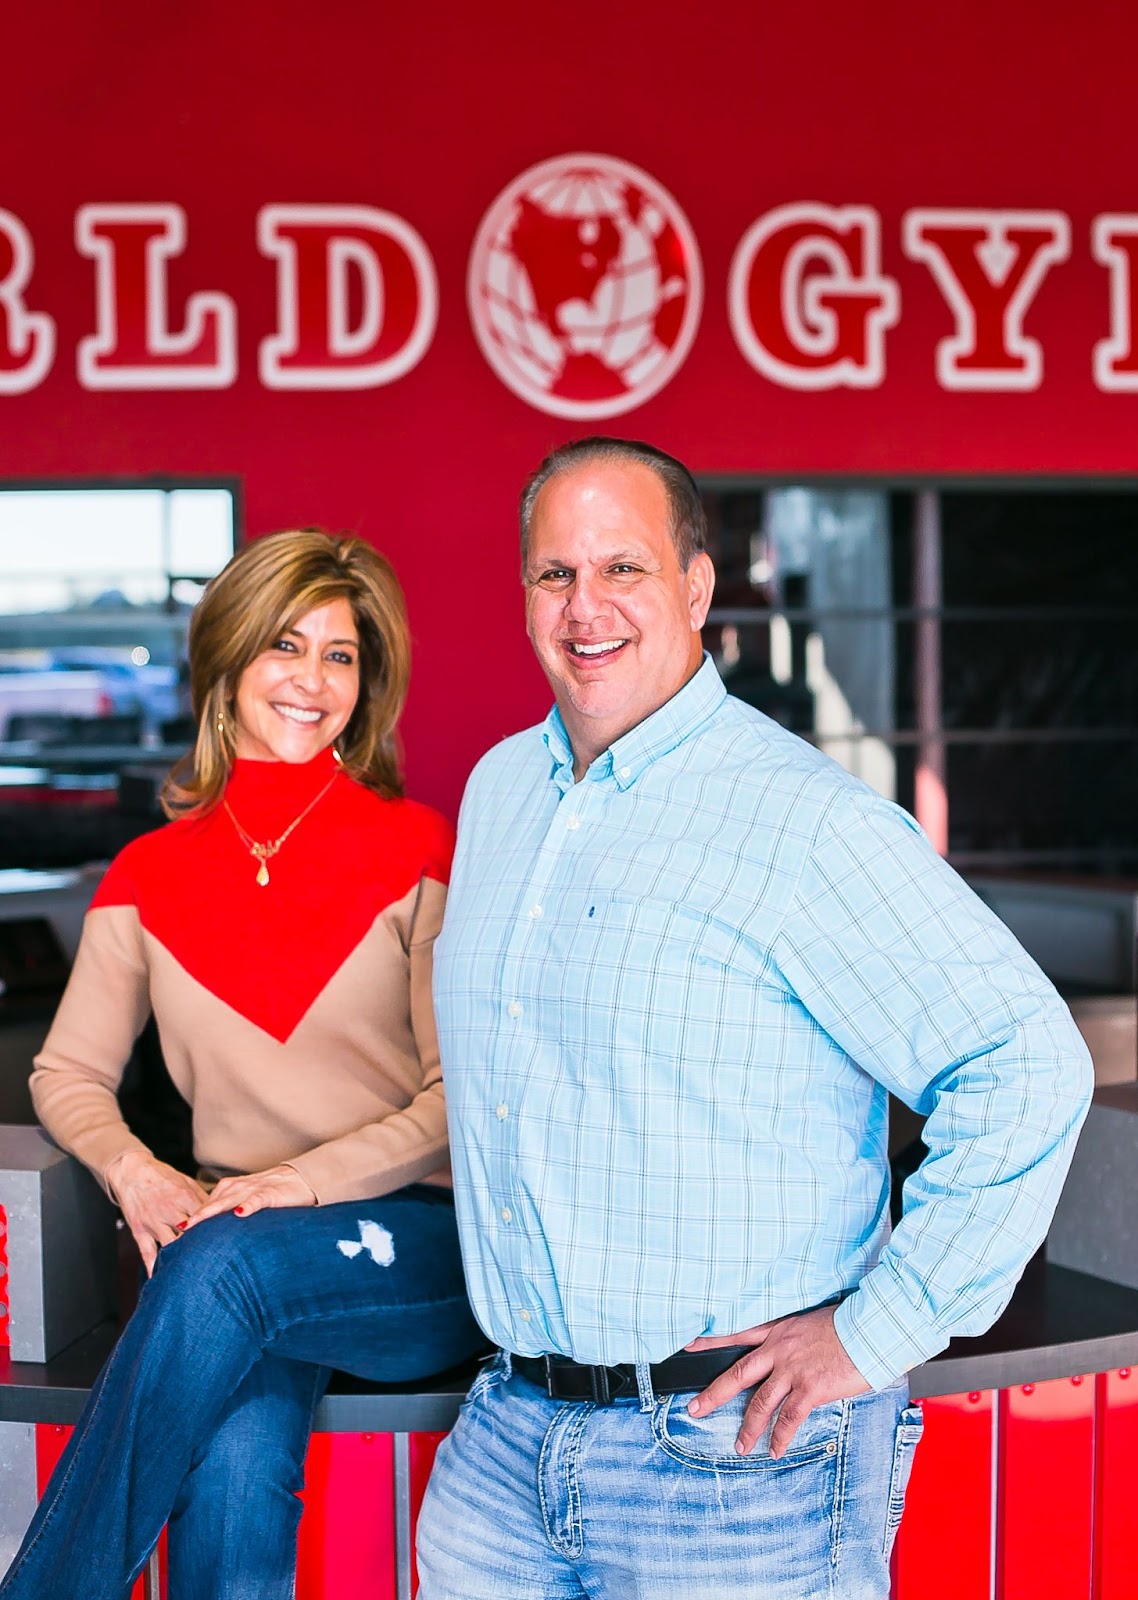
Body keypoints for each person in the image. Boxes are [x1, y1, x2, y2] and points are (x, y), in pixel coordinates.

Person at [420, 437, 1094, 1599]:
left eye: (623, 569)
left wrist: (877, 1329)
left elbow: (1024, 1063)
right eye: (554, 573)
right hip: (508, 1444)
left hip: (735, 1461)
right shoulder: (499, 792)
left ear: (695, 585)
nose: (584, 607)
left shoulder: (804, 819)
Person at [2, 530, 484, 1600]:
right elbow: (65, 1072)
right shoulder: (147, 872)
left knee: (225, 1266)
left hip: (411, 1240)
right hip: (235, 1247)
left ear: (366, 684)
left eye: (340, 655)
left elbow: (458, 1098)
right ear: (227, 664)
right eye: (284, 645)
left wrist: (300, 1183)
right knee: (232, 1463)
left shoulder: (420, 847)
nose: (313, 679)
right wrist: (135, 1171)